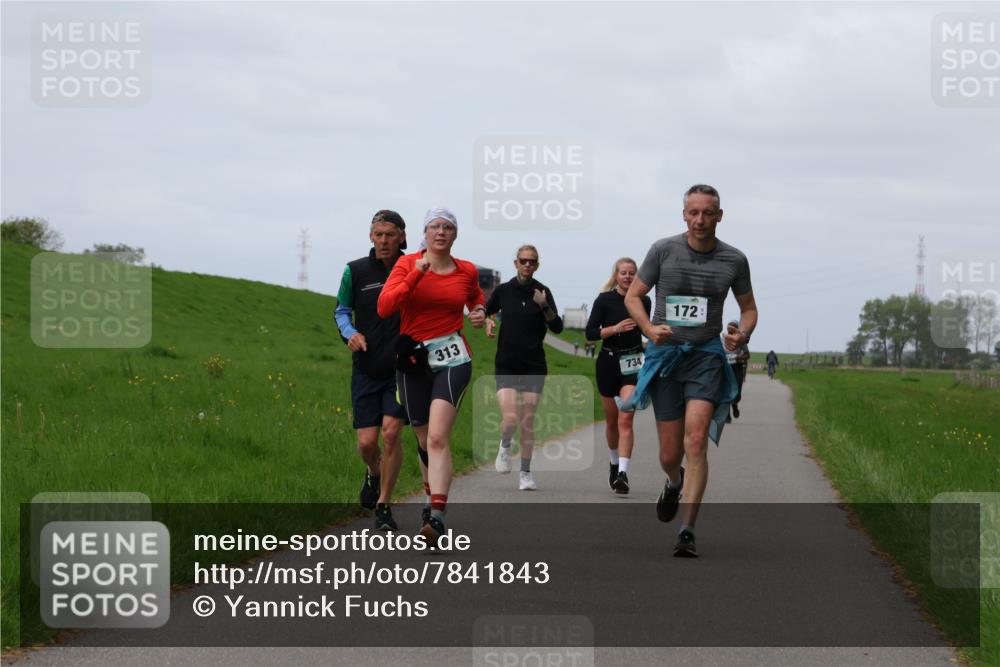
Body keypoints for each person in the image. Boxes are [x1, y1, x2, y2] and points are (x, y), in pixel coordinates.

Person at [622, 184, 757, 558]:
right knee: (669, 454)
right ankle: (673, 480)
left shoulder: (734, 260)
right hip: (666, 358)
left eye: (707, 213)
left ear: (719, 216)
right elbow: (633, 296)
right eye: (693, 212)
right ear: (684, 215)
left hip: (706, 357)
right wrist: (649, 329)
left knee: (695, 441)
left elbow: (749, 309)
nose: (700, 220)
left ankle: (686, 530)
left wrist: (741, 335)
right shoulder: (663, 250)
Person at [377, 207, 486, 547]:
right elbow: (385, 306)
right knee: (424, 440)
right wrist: (416, 275)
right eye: (435, 226)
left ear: (455, 235)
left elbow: (475, 299)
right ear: (424, 233)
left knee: (438, 438)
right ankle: (429, 498)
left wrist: (480, 313)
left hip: (454, 358)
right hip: (413, 360)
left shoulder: (466, 270)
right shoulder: (407, 264)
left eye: (448, 227)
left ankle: (437, 517)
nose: (441, 232)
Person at [335, 210, 427, 531]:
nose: (384, 241)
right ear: (371, 237)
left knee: (391, 434)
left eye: (390, 234)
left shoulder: (416, 267)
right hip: (366, 367)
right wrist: (350, 333)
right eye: (378, 235)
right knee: (366, 443)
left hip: (402, 369)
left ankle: (384, 506)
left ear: (402, 236)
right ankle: (373, 473)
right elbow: (342, 310)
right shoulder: (355, 271)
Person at [484, 245, 563, 491]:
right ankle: (505, 446)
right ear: (515, 263)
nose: (527, 265)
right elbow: (487, 311)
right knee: (510, 419)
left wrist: (544, 306)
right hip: (507, 363)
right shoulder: (503, 290)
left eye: (532, 261)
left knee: (527, 421)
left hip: (533, 364)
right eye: (523, 261)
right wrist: (488, 323)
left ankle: (526, 474)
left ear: (537, 265)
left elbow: (558, 327)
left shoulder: (543, 292)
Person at [585, 257, 651, 494]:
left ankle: (623, 472)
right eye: (623, 273)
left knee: (626, 418)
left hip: (633, 363)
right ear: (616, 275)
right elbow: (590, 332)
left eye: (632, 273)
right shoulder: (604, 300)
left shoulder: (644, 300)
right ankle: (613, 463)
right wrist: (615, 329)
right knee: (612, 421)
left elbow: (646, 327)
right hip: (608, 362)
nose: (627, 277)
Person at [726, 320, 750, 420]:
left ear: (736, 329)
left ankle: (734, 405)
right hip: (726, 367)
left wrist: (739, 358)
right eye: (729, 328)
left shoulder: (740, 341)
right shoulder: (723, 339)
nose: (730, 330)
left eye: (733, 328)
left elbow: (747, 355)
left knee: (736, 391)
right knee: (725, 391)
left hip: (737, 368)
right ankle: (727, 416)